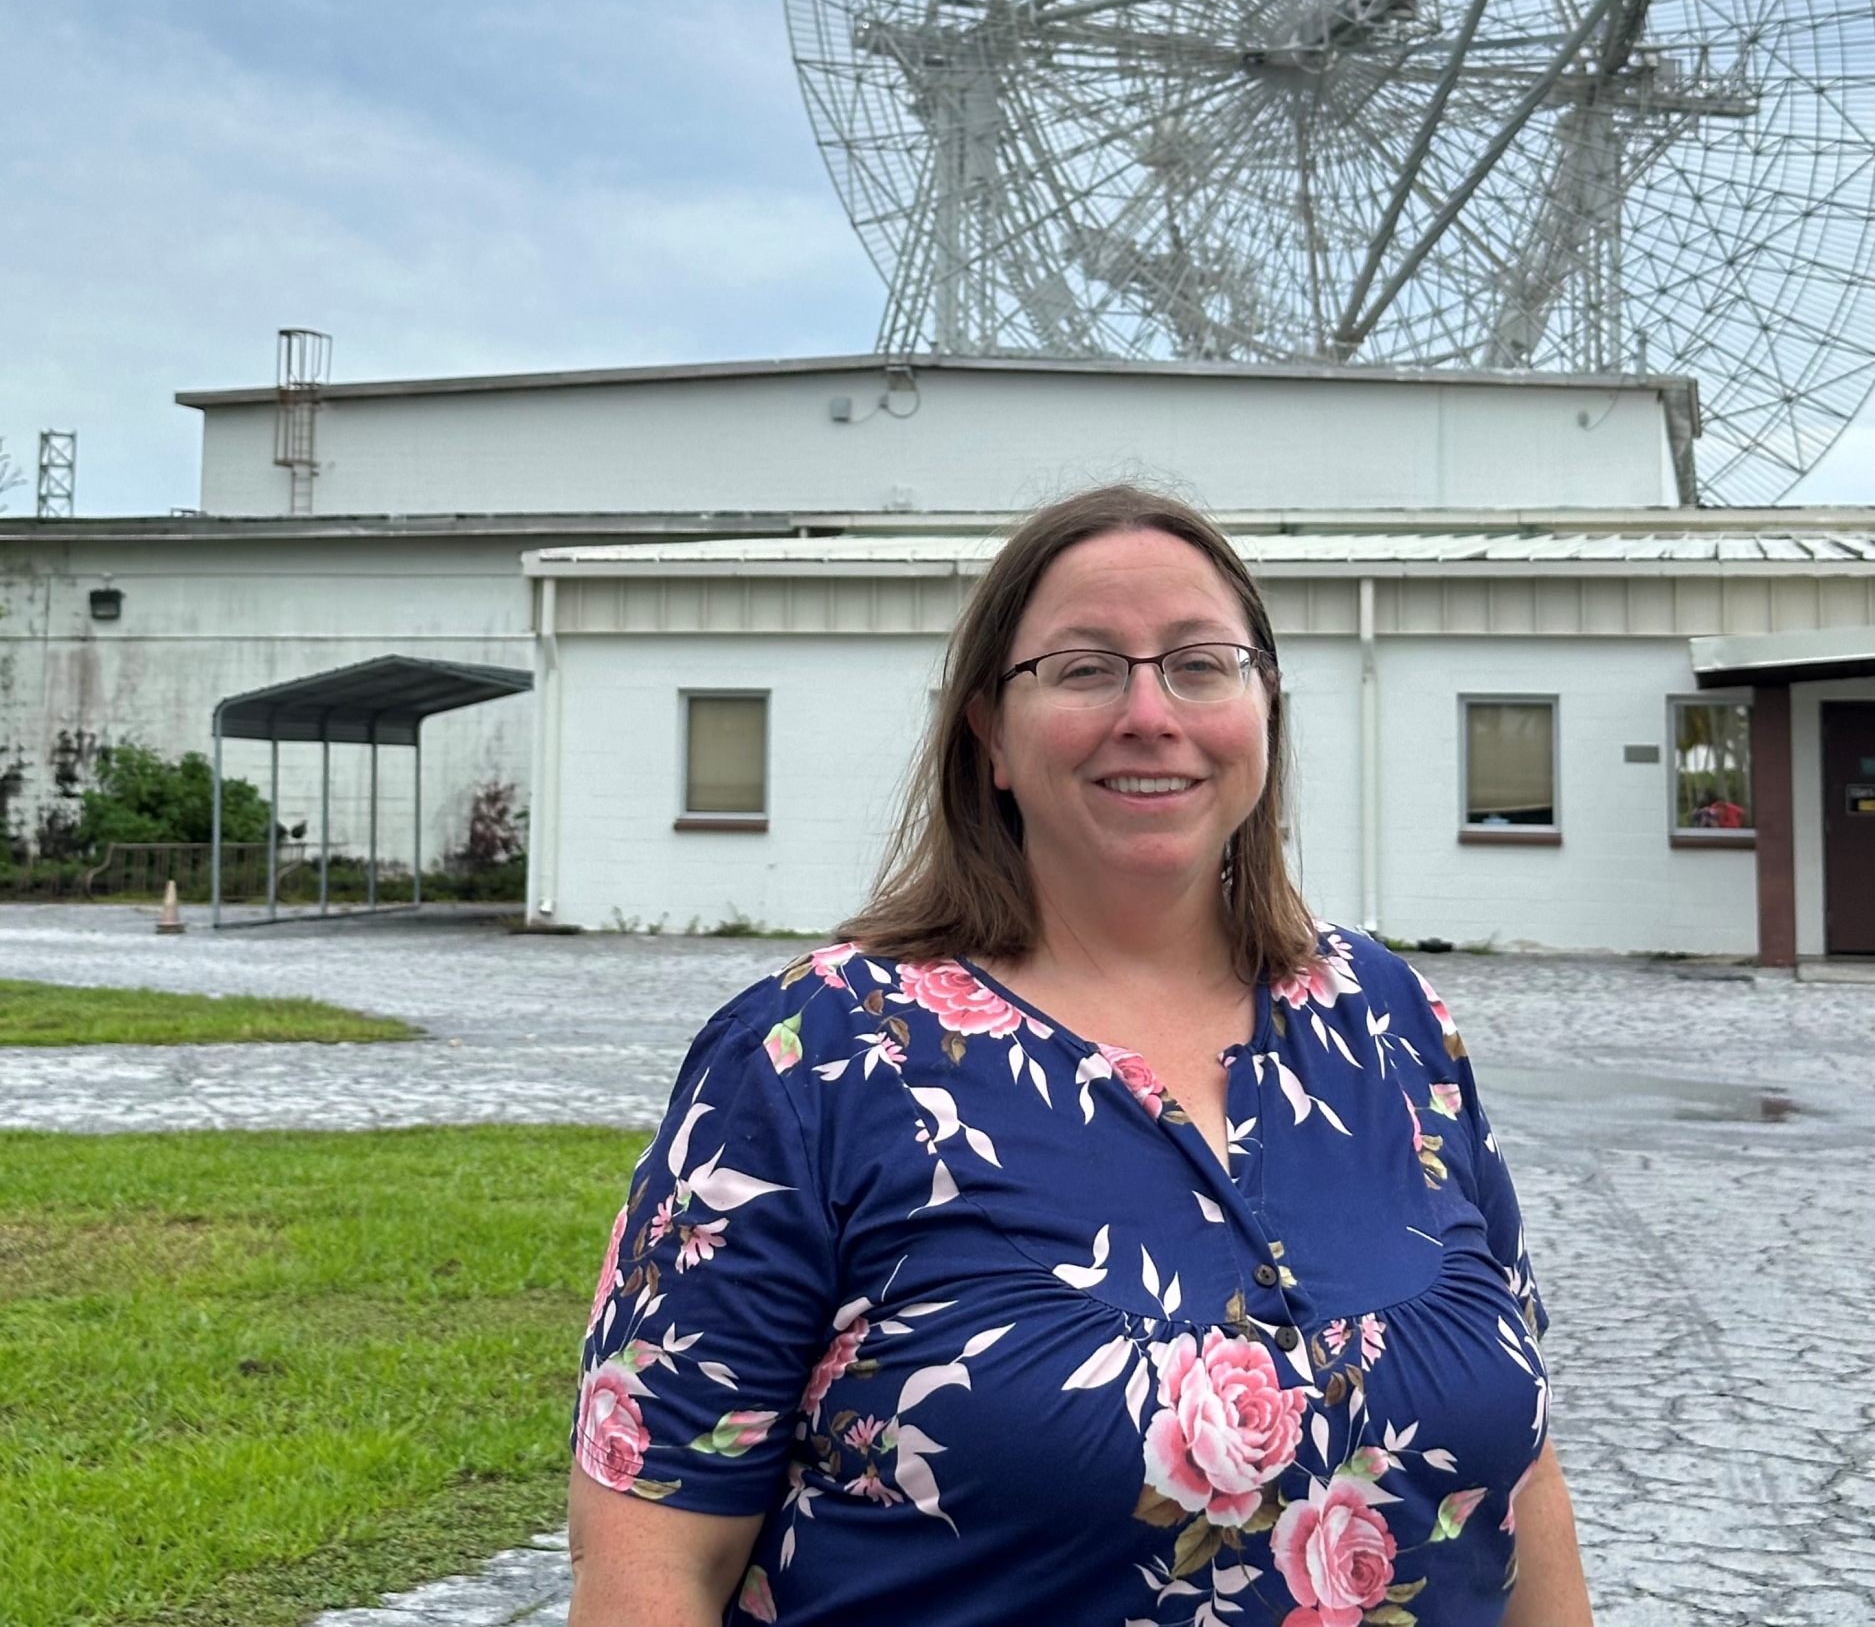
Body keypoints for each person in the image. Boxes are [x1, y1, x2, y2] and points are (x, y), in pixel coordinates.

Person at [568, 484, 1593, 1626]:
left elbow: (1525, 1477)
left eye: (1201, 663)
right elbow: (652, 1564)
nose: (1150, 712)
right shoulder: (811, 1059)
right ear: (990, 737)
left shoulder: (1390, 1023)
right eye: (1085, 666)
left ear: (1264, 710)